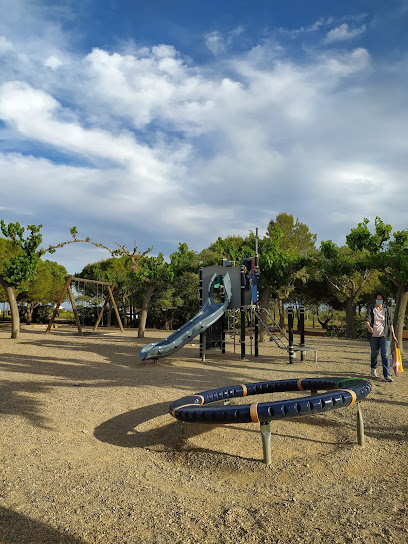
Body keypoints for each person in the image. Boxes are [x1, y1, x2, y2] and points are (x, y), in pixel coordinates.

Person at [365, 294, 397, 382]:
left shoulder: (387, 309)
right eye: (378, 299)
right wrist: (369, 327)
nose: (379, 300)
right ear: (375, 299)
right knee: (374, 353)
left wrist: (393, 335)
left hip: (385, 335)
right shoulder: (371, 308)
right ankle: (373, 368)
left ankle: (387, 375)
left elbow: (390, 323)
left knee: (385, 355)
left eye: (381, 299)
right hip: (373, 335)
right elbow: (367, 320)